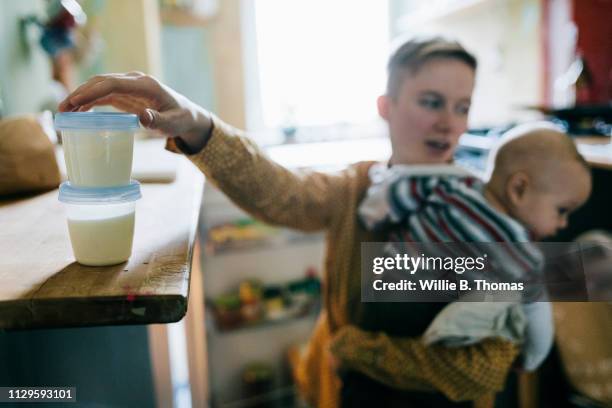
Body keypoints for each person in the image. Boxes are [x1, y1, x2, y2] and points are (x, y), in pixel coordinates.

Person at [60, 36, 522, 407]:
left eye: (462, 107)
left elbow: (488, 362)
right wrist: (197, 124)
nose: (449, 123)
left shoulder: (482, 213)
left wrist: (358, 351)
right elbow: (281, 193)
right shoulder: (357, 188)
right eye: (431, 101)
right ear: (386, 107)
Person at [357, 123, 592, 374]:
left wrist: (370, 215)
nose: (563, 223)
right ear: (519, 189)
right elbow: (538, 318)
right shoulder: (522, 255)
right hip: (425, 318)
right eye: (562, 210)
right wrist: (531, 359)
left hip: (379, 293)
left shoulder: (454, 184)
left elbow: (401, 189)